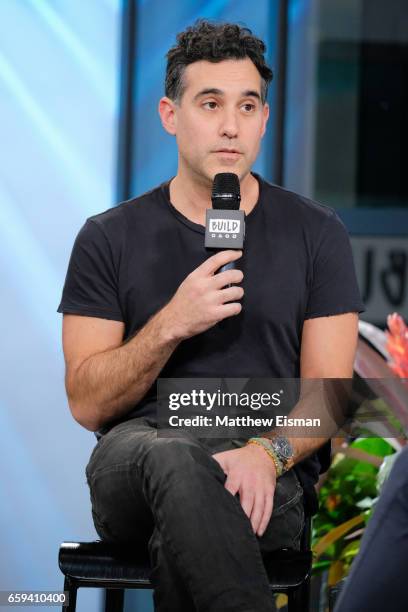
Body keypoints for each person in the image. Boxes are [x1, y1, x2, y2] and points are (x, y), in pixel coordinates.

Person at [57, 19, 365, 612]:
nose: (231, 125)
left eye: (247, 106)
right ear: (171, 115)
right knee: (174, 458)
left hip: (264, 469)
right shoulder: (108, 238)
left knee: (197, 514)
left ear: (265, 119)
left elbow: (331, 395)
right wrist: (173, 321)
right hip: (139, 458)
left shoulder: (316, 233)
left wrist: (264, 454)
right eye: (210, 103)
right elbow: (86, 402)